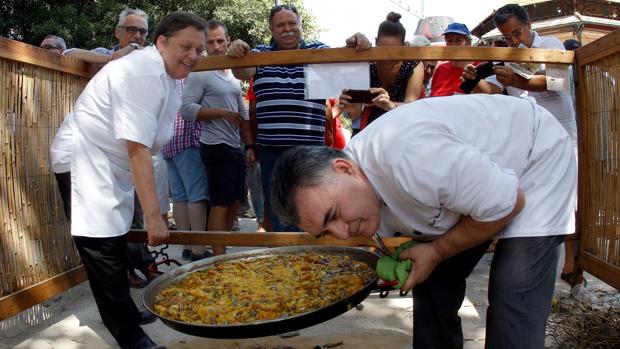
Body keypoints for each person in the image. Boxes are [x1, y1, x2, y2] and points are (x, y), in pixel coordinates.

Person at [271, 94, 576, 349]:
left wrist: (438, 251)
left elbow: (509, 202)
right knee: (429, 279)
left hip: (534, 157)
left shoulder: (411, 159)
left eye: (334, 215)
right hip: (476, 186)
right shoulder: (363, 182)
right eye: (326, 232)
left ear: (344, 168)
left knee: (514, 297)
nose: (342, 233)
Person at [70, 12, 207, 349]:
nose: (193, 56)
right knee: (103, 248)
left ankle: (125, 313)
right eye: (186, 46)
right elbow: (137, 148)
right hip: (87, 160)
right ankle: (130, 337)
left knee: (115, 244)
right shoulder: (144, 70)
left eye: (200, 50)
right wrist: (155, 215)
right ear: (161, 42)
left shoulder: (168, 76)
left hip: (112, 165)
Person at [226, 3, 371, 231]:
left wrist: (355, 43)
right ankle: (288, 261)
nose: (287, 29)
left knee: (313, 205)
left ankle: (310, 261)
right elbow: (241, 71)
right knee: (279, 209)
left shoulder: (316, 50)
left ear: (301, 26)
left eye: (292, 23)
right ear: (272, 30)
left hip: (310, 149)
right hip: (272, 150)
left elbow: (343, 59)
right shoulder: (261, 54)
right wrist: (236, 51)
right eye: (280, 25)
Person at [180, 19, 254, 255]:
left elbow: (242, 114)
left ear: (228, 41)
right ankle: (218, 261)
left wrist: (250, 145)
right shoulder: (201, 72)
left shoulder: (233, 76)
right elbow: (186, 109)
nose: (217, 46)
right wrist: (221, 113)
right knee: (220, 204)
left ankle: (221, 250)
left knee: (234, 202)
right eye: (210, 42)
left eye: (220, 40)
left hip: (235, 146)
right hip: (215, 146)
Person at [462, 3, 577, 144]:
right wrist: (473, 79)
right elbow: (493, 89)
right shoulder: (506, 56)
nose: (514, 41)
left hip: (560, 132)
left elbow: (558, 81)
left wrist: (514, 80)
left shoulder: (550, 45)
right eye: (507, 37)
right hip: (528, 137)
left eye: (517, 33)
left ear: (528, 24)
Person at [339, 12, 423, 133]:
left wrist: (389, 105)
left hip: (401, 130)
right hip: (368, 131)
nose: (387, 58)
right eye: (383, 51)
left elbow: (411, 106)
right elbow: (355, 114)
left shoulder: (413, 65)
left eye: (393, 53)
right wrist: (349, 108)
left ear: (404, 47)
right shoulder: (366, 64)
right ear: (376, 42)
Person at [162, 79, 210, 262]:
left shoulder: (167, 77)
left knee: (180, 197)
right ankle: (199, 249)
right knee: (196, 195)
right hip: (188, 139)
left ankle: (186, 247)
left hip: (168, 140)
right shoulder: (191, 78)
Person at [430, 23, 475, 97]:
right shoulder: (440, 69)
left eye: (458, 40)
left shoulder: (478, 67)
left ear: (468, 43)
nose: (453, 45)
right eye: (449, 40)